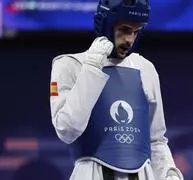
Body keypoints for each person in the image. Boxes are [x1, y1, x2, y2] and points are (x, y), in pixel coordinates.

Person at [49, 0, 184, 180]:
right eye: (125, 30)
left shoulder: (145, 68)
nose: (130, 39)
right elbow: (67, 130)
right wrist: (92, 67)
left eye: (136, 31)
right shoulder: (69, 65)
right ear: (105, 25)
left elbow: (156, 139)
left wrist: (168, 172)